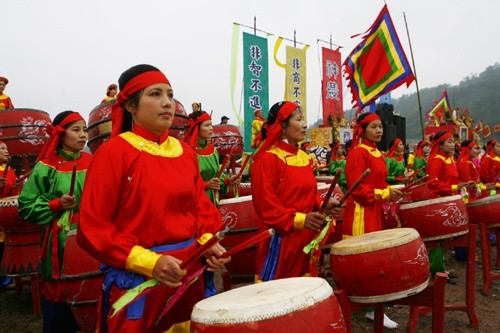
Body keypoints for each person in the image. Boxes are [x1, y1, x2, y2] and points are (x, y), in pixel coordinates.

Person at [76, 64, 230, 333]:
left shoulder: (184, 153)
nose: (167, 103)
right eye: (155, 94)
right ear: (131, 107)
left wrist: (207, 244)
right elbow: (93, 228)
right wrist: (151, 262)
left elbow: (200, 208)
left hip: (187, 277)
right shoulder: (113, 153)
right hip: (139, 283)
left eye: (170, 95)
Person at [250, 101, 341, 282]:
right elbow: (266, 206)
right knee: (279, 294)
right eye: (299, 119)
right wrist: (300, 219)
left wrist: (322, 204)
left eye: (303, 119)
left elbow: (304, 193)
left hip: (304, 237)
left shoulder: (304, 158)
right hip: (281, 240)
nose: (305, 124)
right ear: (282, 127)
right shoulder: (267, 159)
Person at [18, 110, 91, 333]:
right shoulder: (46, 167)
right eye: (76, 130)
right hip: (59, 241)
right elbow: (26, 206)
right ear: (61, 134)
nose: (83, 135)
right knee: (60, 301)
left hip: (91, 235)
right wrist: (56, 205)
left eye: (85, 129)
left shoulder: (93, 161)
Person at [342, 112, 403, 329]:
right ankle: (366, 305)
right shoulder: (358, 153)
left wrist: (390, 191)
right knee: (365, 258)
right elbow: (357, 188)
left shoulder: (377, 152)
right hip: (361, 211)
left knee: (376, 257)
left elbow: (378, 182)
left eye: (380, 127)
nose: (379, 130)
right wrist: (384, 194)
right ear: (362, 130)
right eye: (373, 127)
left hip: (374, 209)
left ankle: (373, 304)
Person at [426, 131, 474, 283]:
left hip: (449, 200)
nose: (453, 145)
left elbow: (452, 179)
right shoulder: (435, 160)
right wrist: (454, 187)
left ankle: (441, 269)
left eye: (453, 142)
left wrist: (462, 184)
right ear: (439, 144)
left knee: (445, 238)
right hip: (439, 202)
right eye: (449, 142)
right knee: (438, 239)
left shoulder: (449, 159)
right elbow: (433, 184)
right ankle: (436, 270)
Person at [183, 110, 241, 205]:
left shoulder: (213, 151)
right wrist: (206, 185)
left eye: (211, 125)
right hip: (194, 203)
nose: (211, 128)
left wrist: (228, 180)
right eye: (207, 125)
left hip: (211, 202)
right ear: (196, 128)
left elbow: (217, 176)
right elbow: (183, 182)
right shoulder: (186, 151)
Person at [0, 140, 21, 288]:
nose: (6, 151)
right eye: (2, 148)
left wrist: (16, 187)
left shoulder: (10, 170)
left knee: (4, 247)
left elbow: (10, 195)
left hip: (4, 214)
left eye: (6, 148)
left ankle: (4, 278)